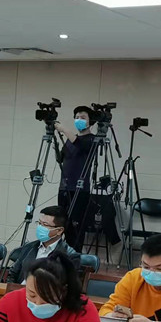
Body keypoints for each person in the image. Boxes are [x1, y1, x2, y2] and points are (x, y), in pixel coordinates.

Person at [55, 105, 96, 251]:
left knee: (75, 229)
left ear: (90, 121)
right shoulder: (70, 140)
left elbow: (79, 144)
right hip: (64, 187)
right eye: (77, 117)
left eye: (83, 117)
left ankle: (74, 257)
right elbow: (61, 158)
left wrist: (64, 129)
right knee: (62, 224)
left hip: (80, 190)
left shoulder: (92, 140)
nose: (79, 120)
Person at [7, 206, 81, 284]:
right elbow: (12, 275)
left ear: (59, 230)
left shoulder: (70, 256)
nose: (40, 227)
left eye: (45, 225)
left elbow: (68, 285)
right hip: (20, 290)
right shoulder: (28, 247)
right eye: (39, 223)